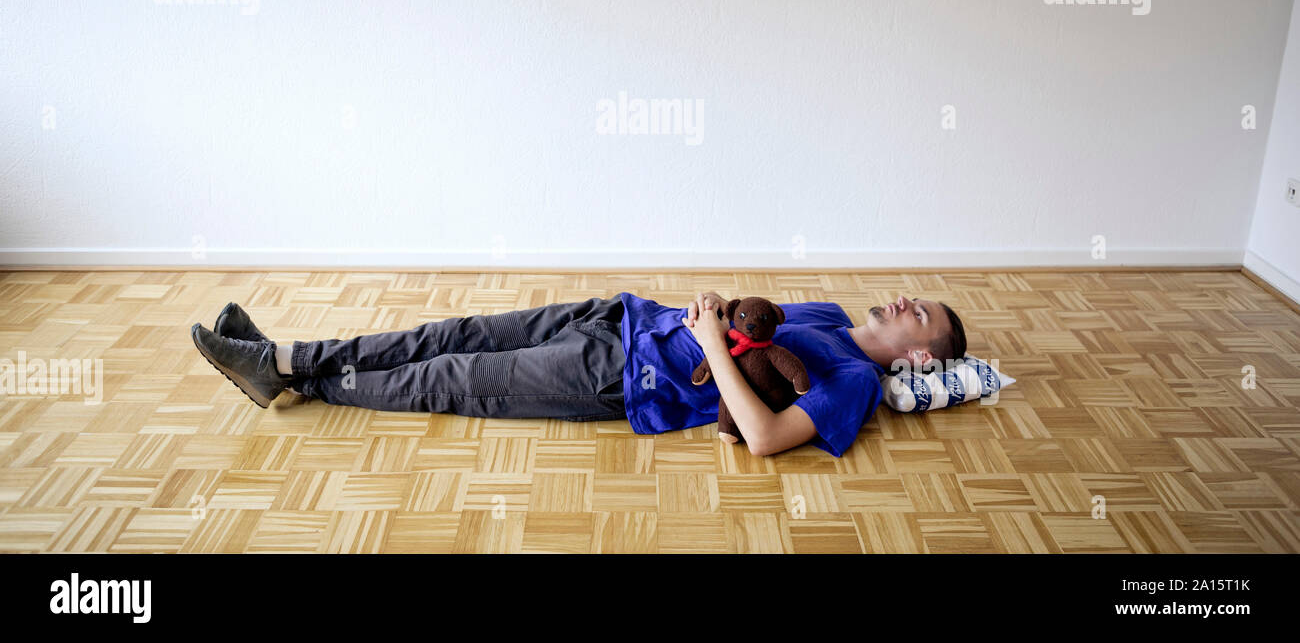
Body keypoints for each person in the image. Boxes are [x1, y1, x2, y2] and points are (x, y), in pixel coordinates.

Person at [191, 290, 967, 458]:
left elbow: (763, 434)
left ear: (921, 357)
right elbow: (749, 335)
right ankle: (289, 358)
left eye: (921, 314)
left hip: (624, 379)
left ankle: (287, 378)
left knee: (455, 376)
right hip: (623, 317)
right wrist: (710, 313)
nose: (906, 301)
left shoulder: (857, 385)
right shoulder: (828, 314)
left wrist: (703, 335)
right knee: (449, 331)